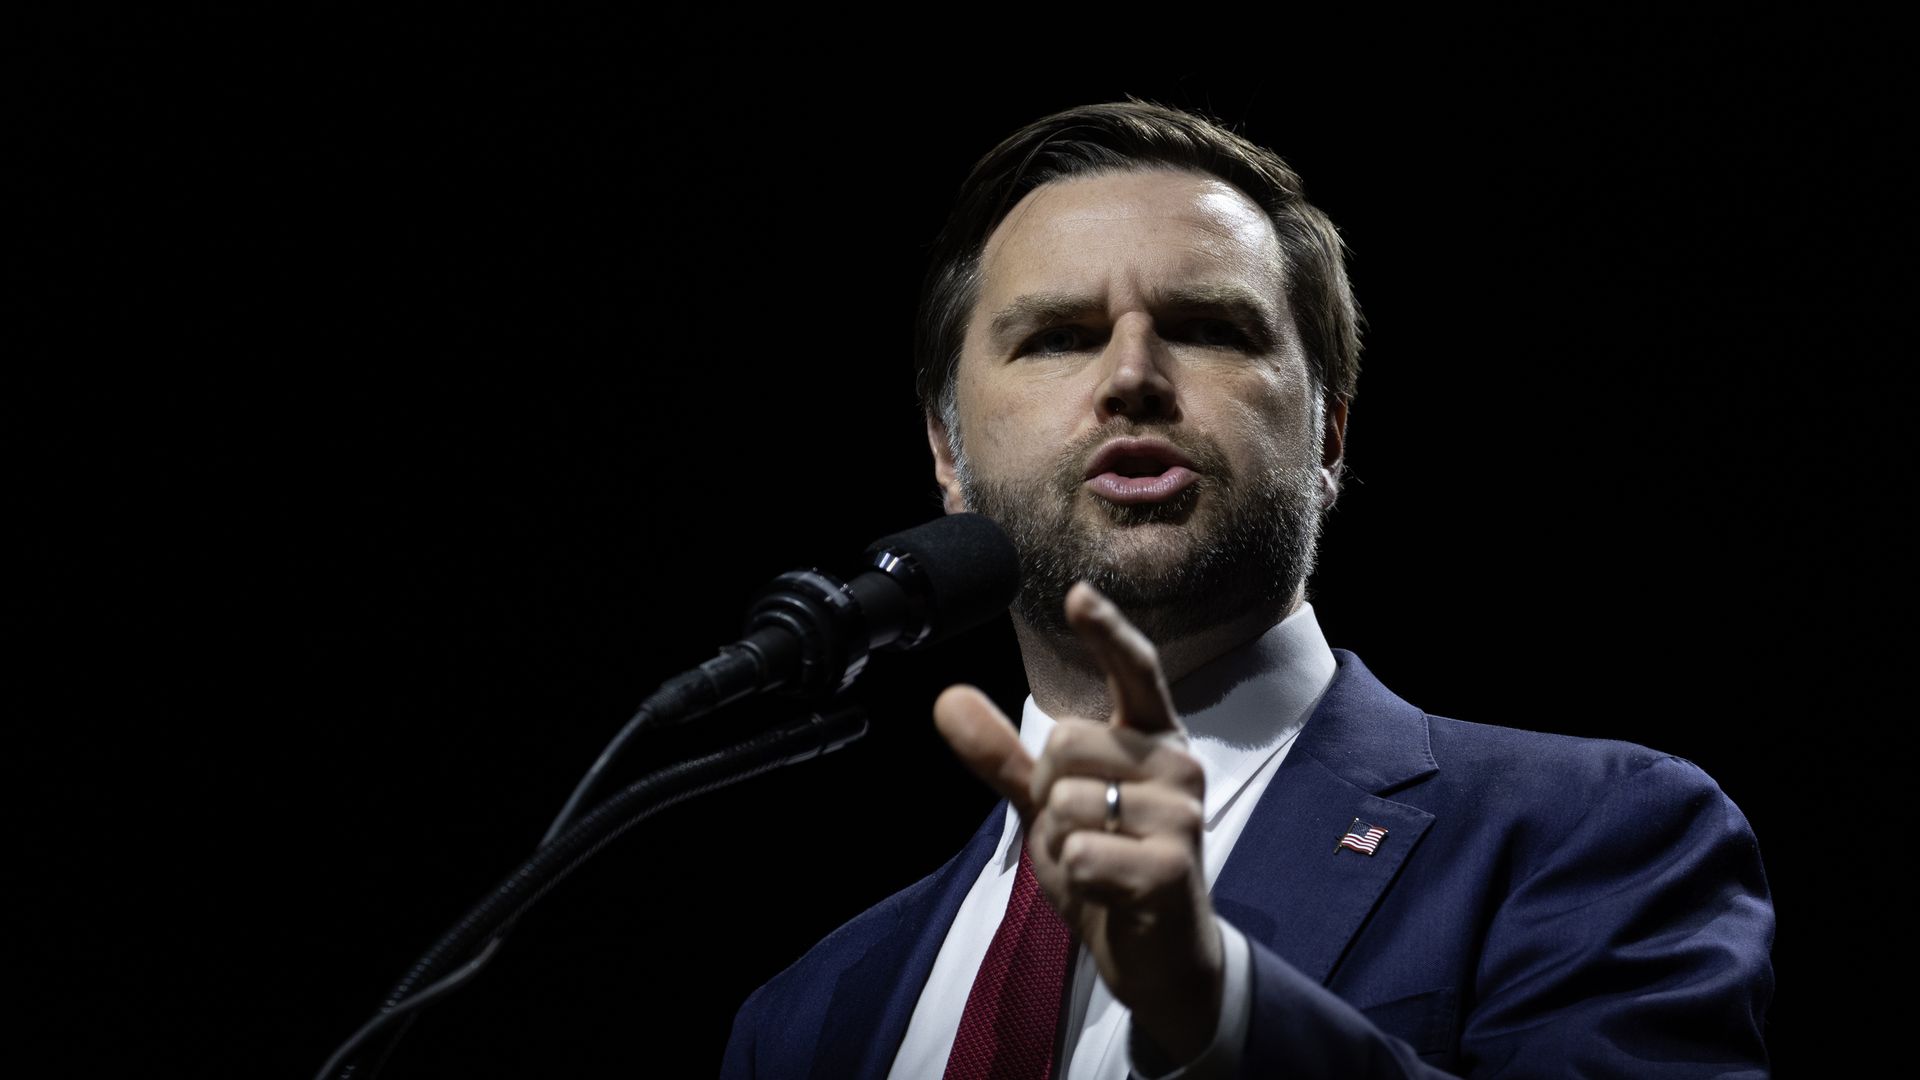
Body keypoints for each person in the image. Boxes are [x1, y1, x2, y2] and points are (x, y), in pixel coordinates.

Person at [721, 100, 1774, 1079]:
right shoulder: (805, 1016)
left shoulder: (1595, 834)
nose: (1133, 374)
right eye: (1059, 338)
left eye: (1209, 327)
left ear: (1330, 434)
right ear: (947, 450)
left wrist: (1220, 1009)